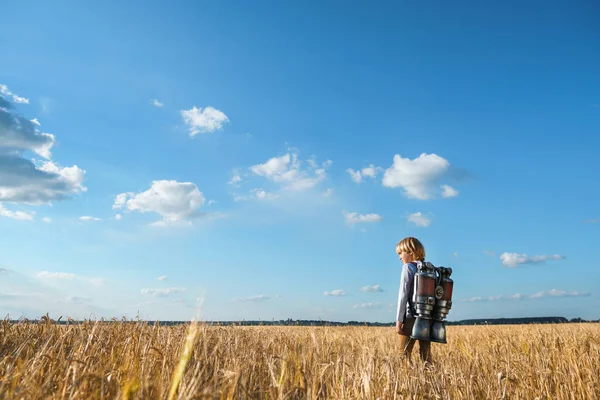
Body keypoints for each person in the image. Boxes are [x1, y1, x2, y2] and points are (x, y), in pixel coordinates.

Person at [395, 236, 432, 364]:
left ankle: (404, 381)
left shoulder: (408, 267)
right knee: (426, 354)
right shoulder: (429, 268)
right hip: (427, 317)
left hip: (411, 316)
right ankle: (430, 380)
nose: (399, 257)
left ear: (411, 251)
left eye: (401, 253)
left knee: (403, 353)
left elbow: (403, 294)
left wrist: (400, 319)